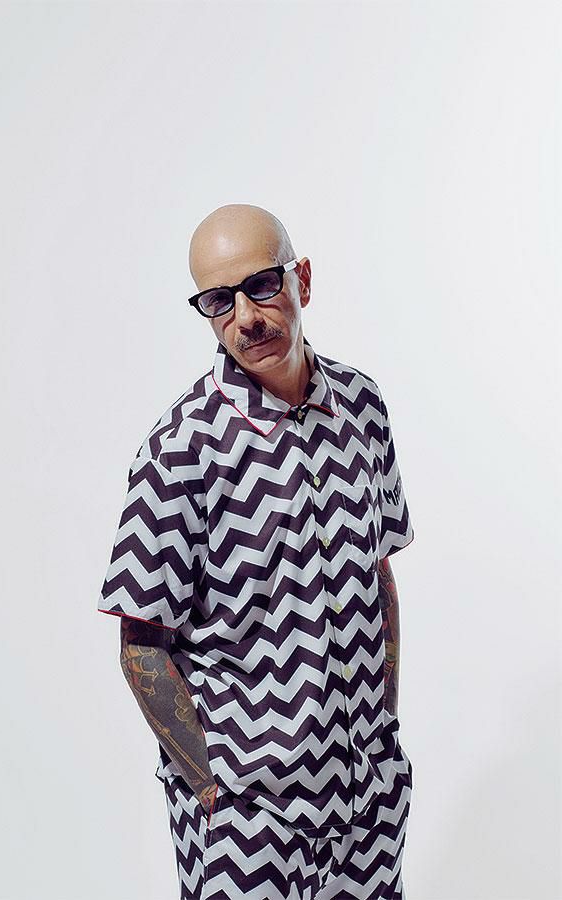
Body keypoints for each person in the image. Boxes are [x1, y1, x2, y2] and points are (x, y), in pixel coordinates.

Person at [98, 203, 416, 900]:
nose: (246, 317)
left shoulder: (362, 407)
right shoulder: (179, 451)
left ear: (303, 279)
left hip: (368, 798)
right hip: (249, 822)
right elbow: (141, 645)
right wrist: (215, 790)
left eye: (262, 285)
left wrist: (383, 733)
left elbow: (378, 572)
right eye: (219, 300)